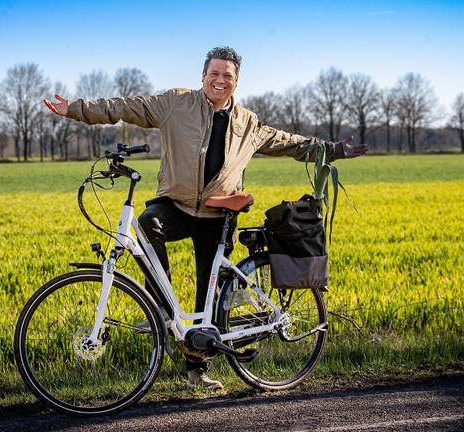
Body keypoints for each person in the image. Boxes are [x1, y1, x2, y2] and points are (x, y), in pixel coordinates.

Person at [44, 46, 367, 389]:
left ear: (236, 81)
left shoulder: (248, 123)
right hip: (176, 204)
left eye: (227, 75)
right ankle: (163, 311)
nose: (220, 80)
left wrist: (332, 150)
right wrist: (75, 110)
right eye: (214, 73)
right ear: (203, 76)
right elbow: (125, 107)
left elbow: (288, 142)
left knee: (207, 296)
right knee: (146, 225)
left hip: (218, 213)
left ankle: (198, 370)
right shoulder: (175, 104)